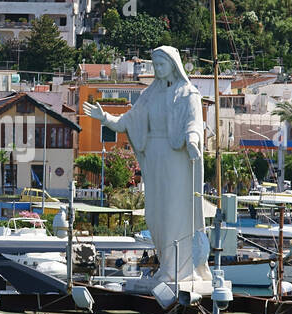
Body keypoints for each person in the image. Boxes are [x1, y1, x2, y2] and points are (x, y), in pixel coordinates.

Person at [83, 46, 209, 291]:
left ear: (173, 64)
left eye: (162, 64)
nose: (158, 69)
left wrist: (193, 141)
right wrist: (106, 118)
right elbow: (129, 121)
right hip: (155, 158)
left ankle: (179, 270)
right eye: (155, 65)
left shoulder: (188, 94)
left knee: (174, 212)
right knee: (156, 214)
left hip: (177, 159)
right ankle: (166, 266)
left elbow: (194, 122)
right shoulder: (150, 96)